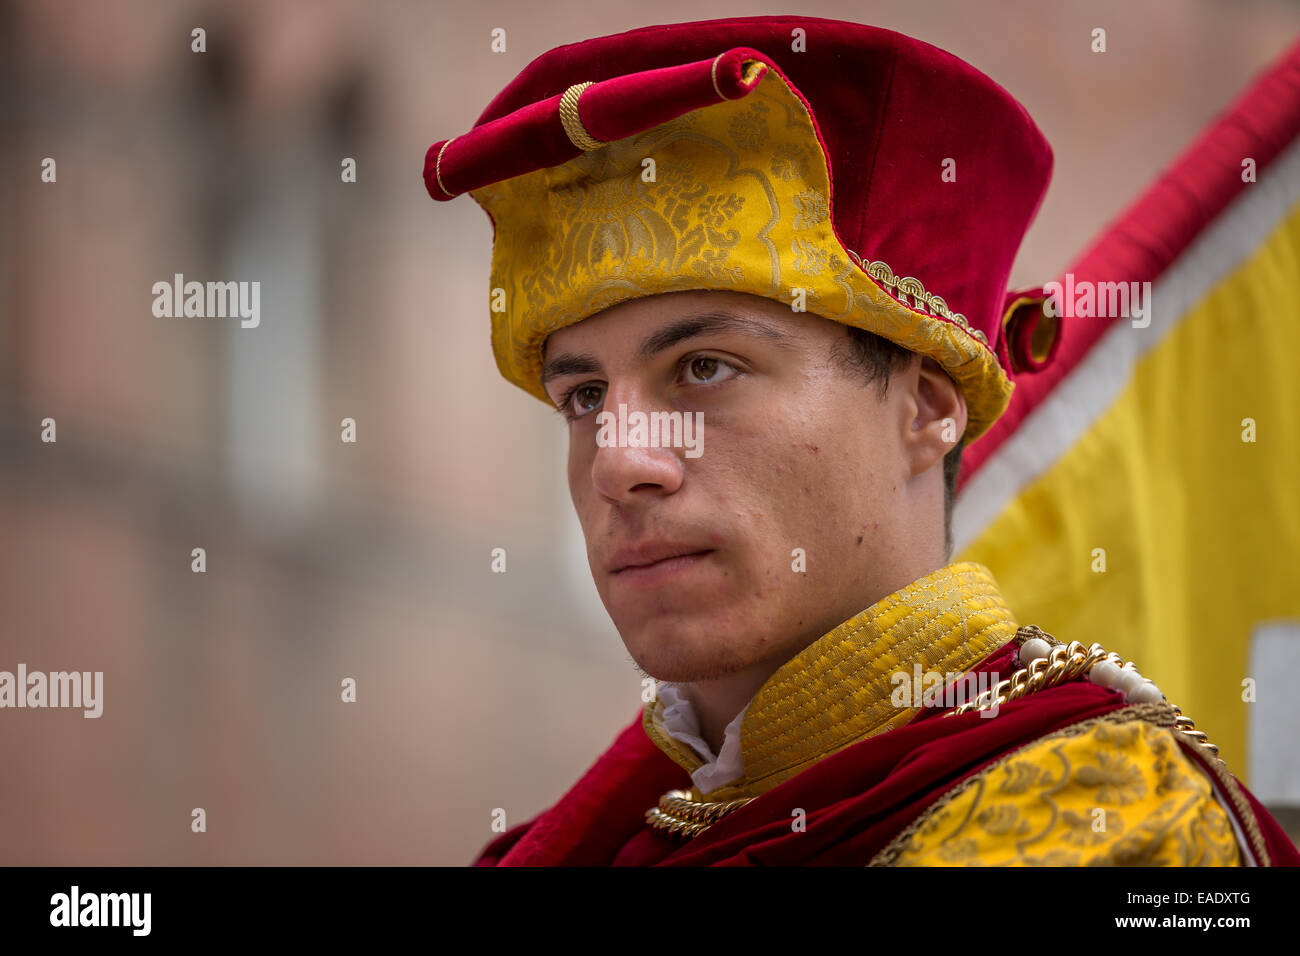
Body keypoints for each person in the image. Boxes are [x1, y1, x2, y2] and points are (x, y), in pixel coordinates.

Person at [423, 14, 1300, 865]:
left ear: (924, 408)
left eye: (704, 369)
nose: (619, 462)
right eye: (583, 396)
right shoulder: (604, 838)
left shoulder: (1113, 820)